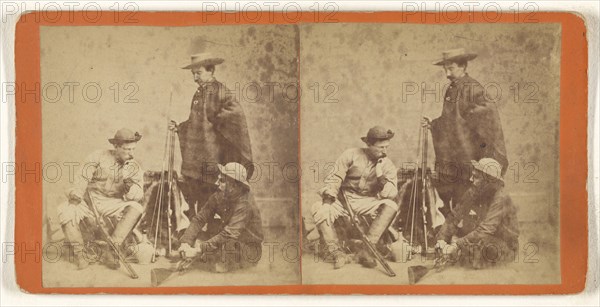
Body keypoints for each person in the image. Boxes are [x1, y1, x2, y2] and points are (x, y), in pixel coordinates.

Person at [423, 48, 508, 215]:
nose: (447, 73)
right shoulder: (452, 89)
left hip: (470, 152)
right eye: (445, 69)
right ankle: (453, 233)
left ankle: (470, 236)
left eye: (451, 68)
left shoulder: (473, 88)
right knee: (453, 190)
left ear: (463, 66)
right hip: (455, 152)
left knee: (469, 195)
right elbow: (449, 119)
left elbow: (488, 118)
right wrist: (433, 124)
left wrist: (469, 122)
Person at [169, 53, 253, 219]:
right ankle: (196, 233)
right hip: (198, 155)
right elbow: (196, 122)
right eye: (193, 74)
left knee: (211, 194)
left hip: (212, 153)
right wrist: (180, 128)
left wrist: (216, 119)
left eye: (198, 73)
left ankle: (211, 235)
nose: (194, 78)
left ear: (211, 70)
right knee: (195, 190)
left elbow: (236, 114)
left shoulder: (220, 91)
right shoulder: (199, 93)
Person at [311, 126, 399, 270]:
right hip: (343, 199)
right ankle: (337, 253)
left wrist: (379, 175)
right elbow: (335, 178)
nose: (385, 151)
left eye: (387, 147)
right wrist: (327, 202)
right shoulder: (351, 154)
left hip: (367, 200)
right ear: (369, 145)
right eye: (381, 147)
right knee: (319, 208)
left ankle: (367, 250)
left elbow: (391, 193)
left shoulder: (387, 164)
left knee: (391, 205)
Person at [57, 128, 144, 270]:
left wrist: (130, 189)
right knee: (65, 210)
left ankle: (112, 249)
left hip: (112, 202)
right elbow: (82, 177)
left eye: (133, 149)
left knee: (137, 208)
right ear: (116, 146)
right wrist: (76, 194)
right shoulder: (98, 156)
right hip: (88, 200)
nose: (131, 154)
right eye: (127, 149)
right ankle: (81, 256)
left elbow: (139, 194)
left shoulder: (134, 167)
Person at [177, 162, 263, 272]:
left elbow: (229, 234)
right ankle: (204, 254)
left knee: (221, 257)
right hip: (227, 238)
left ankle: (208, 257)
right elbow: (200, 218)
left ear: (234, 185)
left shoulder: (245, 204)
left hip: (247, 247)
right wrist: (186, 242)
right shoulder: (220, 194)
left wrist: (199, 249)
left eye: (222, 180)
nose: (217, 183)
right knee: (187, 234)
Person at [435, 158, 519, 269]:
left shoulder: (501, 198)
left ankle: (460, 253)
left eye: (476, 177)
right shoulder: (475, 190)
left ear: (488, 181)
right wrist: (442, 239)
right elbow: (454, 216)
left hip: (504, 244)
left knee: (474, 252)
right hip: (482, 236)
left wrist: (457, 244)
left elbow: (486, 229)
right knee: (443, 235)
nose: (471, 179)